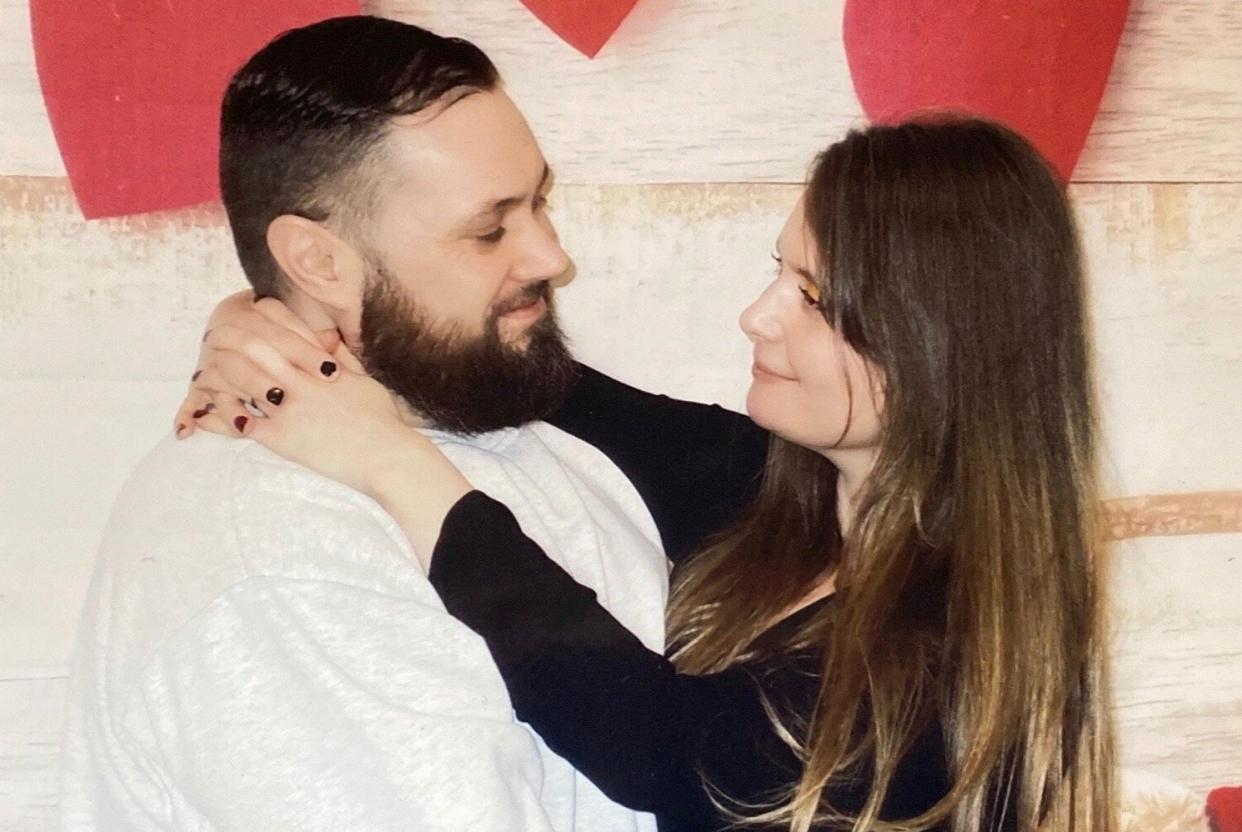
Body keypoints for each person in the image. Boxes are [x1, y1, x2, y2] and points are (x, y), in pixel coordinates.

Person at [179, 117, 1118, 831]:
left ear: (941, 348)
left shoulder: (957, 657)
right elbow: (518, 370)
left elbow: (664, 750)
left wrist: (390, 461)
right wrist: (286, 328)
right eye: (778, 273)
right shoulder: (764, 483)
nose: (758, 317)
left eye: (815, 300)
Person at [62, 16, 772, 832]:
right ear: (320, 262)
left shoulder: (525, 431)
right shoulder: (280, 542)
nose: (549, 256)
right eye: (489, 228)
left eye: (538, 201)